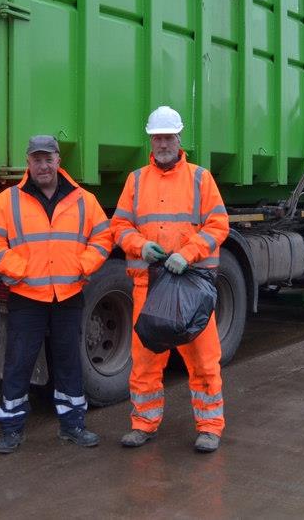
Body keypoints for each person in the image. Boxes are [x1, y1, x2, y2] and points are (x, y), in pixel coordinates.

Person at [0, 135, 113, 454]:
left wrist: (84, 265)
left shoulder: (83, 200)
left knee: (68, 362)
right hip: (27, 296)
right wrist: (20, 269)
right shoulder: (6, 201)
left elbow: (103, 236)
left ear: (58, 161)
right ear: (28, 163)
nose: (43, 165)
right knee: (18, 363)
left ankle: (72, 426)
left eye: (48, 158)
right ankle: (12, 429)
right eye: (36, 159)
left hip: (67, 294)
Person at [110, 106, 229, 453]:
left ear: (179, 139)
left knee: (204, 359)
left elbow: (219, 225)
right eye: (157, 137)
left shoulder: (199, 178)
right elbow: (119, 226)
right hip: (148, 285)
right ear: (151, 139)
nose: (162, 143)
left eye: (168, 137)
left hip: (191, 284)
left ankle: (209, 427)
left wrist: (187, 253)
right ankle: (143, 424)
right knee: (145, 361)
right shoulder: (136, 180)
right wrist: (140, 245)